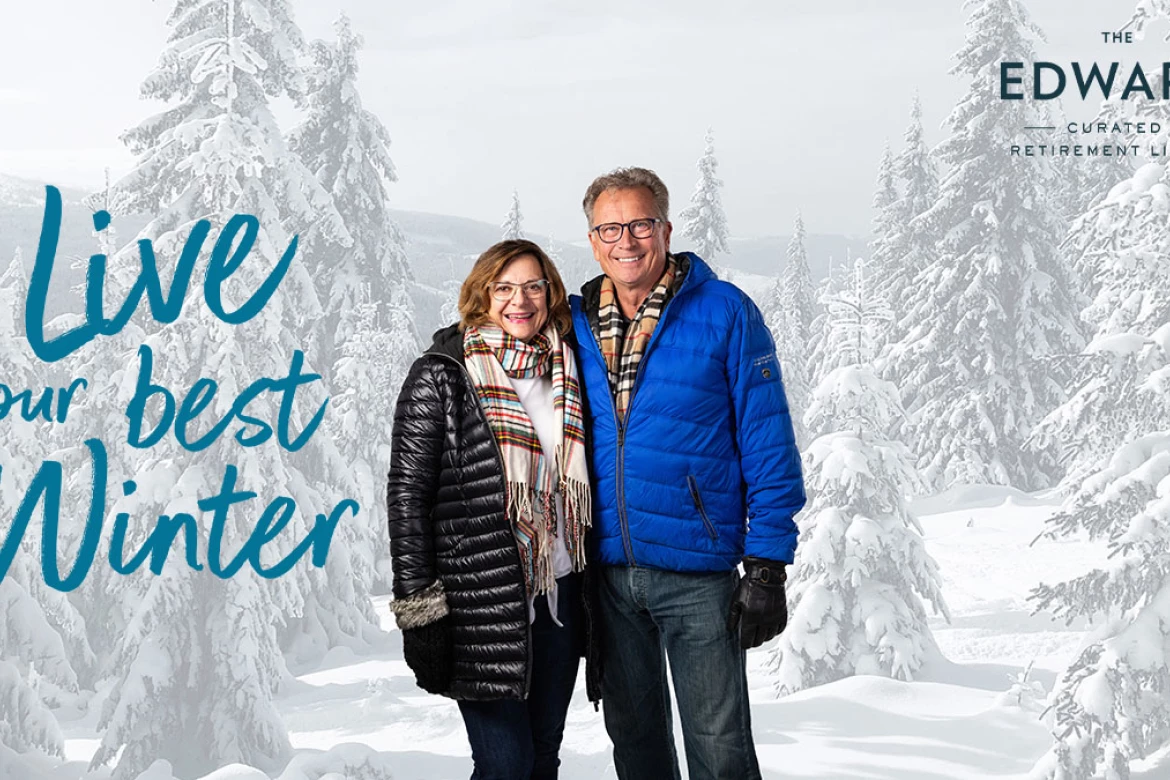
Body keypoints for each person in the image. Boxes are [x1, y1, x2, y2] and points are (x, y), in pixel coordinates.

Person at [569, 167, 806, 780]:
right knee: (635, 739)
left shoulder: (724, 312)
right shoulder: (573, 323)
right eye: (610, 228)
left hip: (698, 575)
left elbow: (767, 438)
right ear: (592, 239)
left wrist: (767, 564)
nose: (627, 241)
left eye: (641, 224)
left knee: (719, 745)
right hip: (610, 574)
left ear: (666, 229)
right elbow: (499, 336)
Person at [387, 239, 599, 780]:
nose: (519, 301)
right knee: (506, 764)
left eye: (533, 286)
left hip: (561, 595)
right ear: (481, 295)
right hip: (482, 604)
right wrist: (421, 615)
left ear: (550, 293)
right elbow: (407, 500)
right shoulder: (441, 374)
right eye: (503, 288)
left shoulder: (570, 369)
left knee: (544, 754)